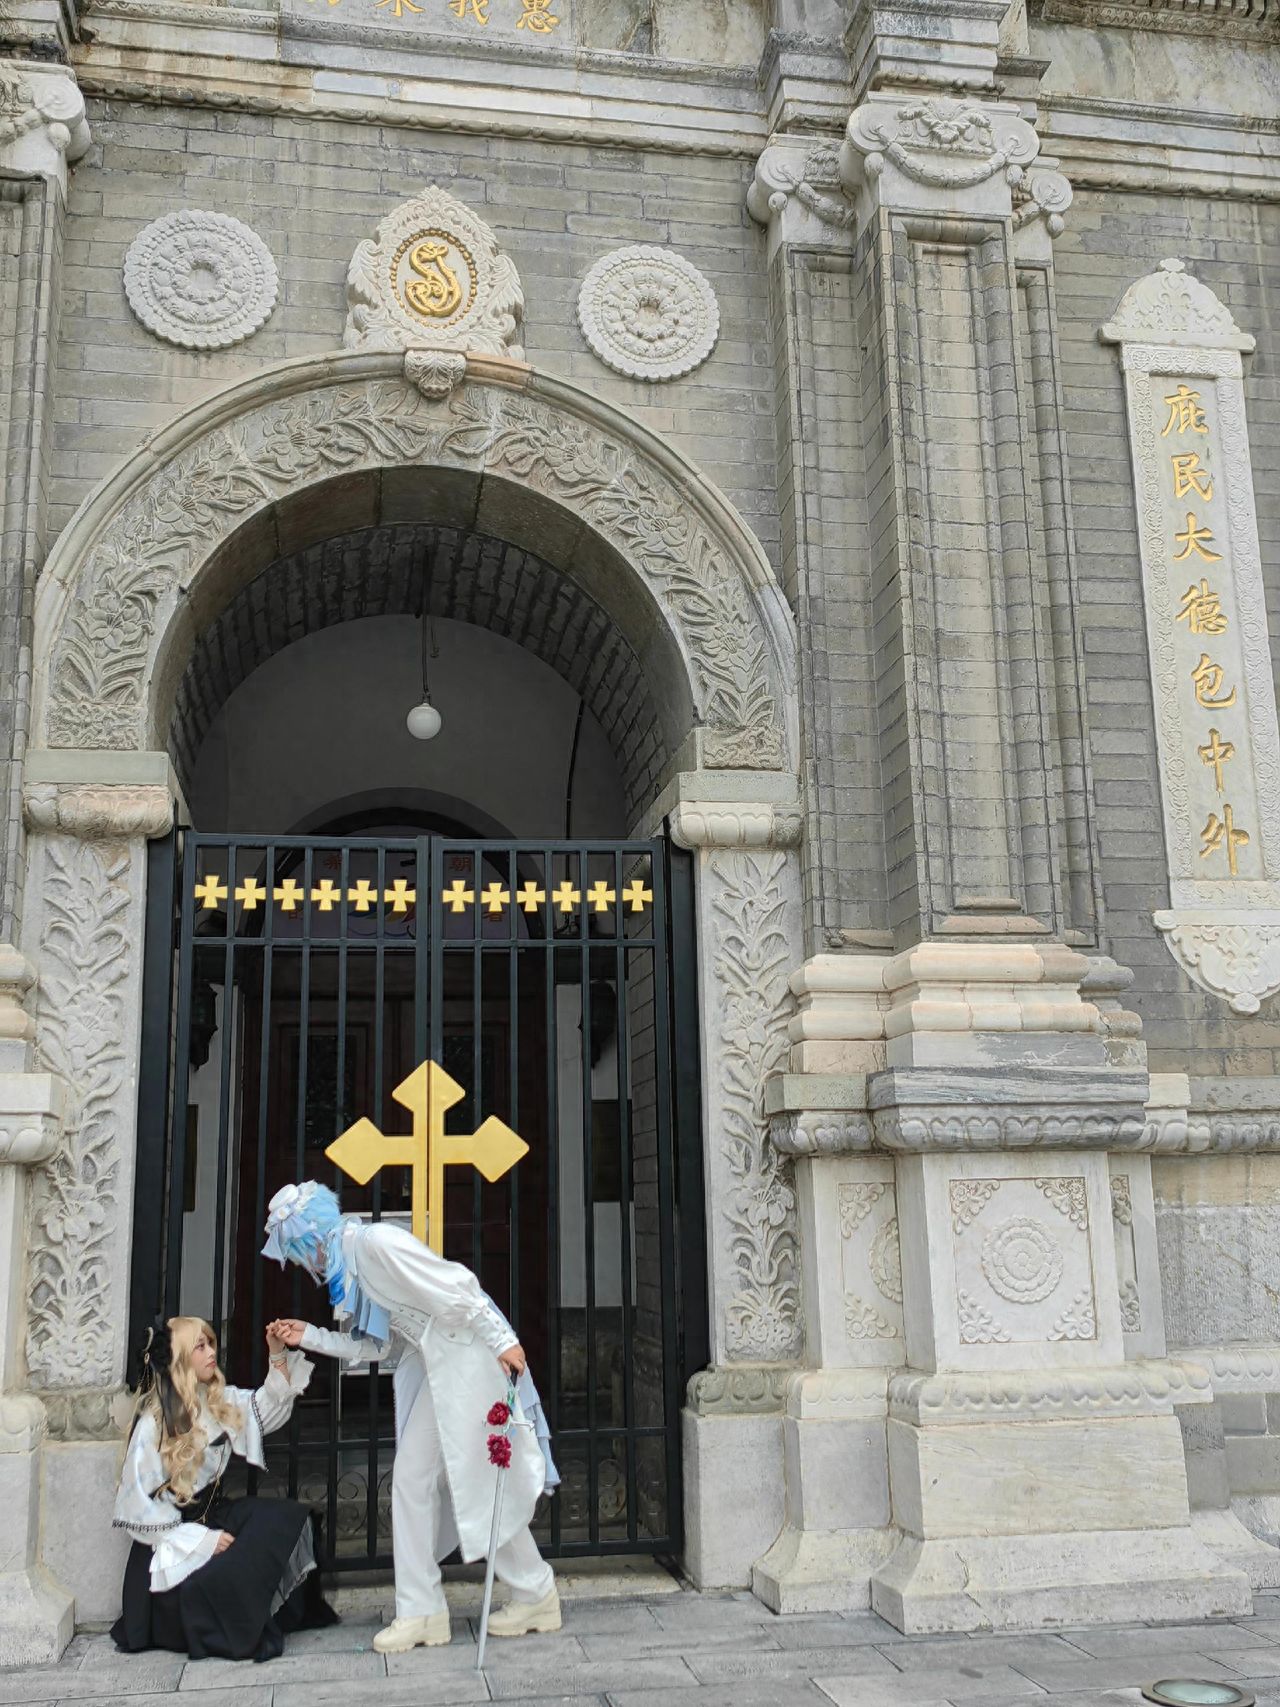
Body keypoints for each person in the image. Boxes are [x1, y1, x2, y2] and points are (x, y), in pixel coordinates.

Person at [262, 1180, 560, 1652]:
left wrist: (502, 1339)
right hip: (439, 1364)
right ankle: (444, 1606)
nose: (302, 1264)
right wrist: (310, 1336)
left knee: (470, 1478)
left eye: (297, 1252)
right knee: (422, 1479)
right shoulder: (351, 1264)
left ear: (308, 1239)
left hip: (466, 1359)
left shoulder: (376, 1244)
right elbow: (377, 1347)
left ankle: (518, 1594)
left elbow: (457, 1284)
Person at [111, 1314, 338, 1663]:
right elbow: (143, 1516)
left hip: (216, 1515)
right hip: (173, 1543)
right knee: (227, 1578)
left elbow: (267, 1408)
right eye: (199, 1347)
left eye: (210, 1343)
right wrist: (203, 1542)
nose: (210, 1352)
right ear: (182, 1360)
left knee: (290, 1519)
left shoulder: (216, 1400)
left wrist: (276, 1353)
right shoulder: (151, 1427)